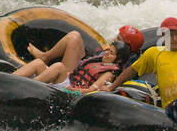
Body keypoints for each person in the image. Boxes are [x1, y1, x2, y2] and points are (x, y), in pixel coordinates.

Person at [12, 26, 144, 90]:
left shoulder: (115, 70)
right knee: (38, 63)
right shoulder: (108, 56)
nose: (115, 39)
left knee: (58, 67)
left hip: (69, 84)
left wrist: (75, 90)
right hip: (71, 76)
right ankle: (9, 80)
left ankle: (25, 88)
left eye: (119, 39)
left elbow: (93, 89)